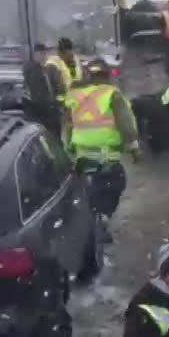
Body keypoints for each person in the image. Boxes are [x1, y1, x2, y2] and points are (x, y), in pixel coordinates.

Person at [63, 57, 140, 221]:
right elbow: (126, 125)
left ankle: (91, 218)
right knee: (116, 185)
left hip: (82, 157)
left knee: (85, 193)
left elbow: (67, 126)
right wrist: (134, 149)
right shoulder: (112, 95)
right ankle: (103, 217)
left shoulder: (75, 96)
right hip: (106, 158)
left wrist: (69, 150)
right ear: (107, 76)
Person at [43, 37, 80, 103]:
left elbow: (81, 77)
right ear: (60, 52)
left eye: (71, 53)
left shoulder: (75, 60)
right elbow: (54, 87)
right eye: (67, 54)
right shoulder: (53, 63)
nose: (71, 57)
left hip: (78, 101)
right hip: (61, 103)